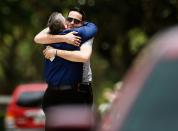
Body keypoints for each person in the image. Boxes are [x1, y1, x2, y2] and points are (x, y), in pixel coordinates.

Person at [34, 7, 97, 110]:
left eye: (76, 21)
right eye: (69, 19)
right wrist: (65, 38)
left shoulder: (80, 36)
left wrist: (55, 52)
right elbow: (37, 38)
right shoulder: (74, 35)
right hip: (57, 93)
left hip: (79, 89)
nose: (71, 23)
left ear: (83, 23)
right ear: (65, 23)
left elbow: (84, 57)